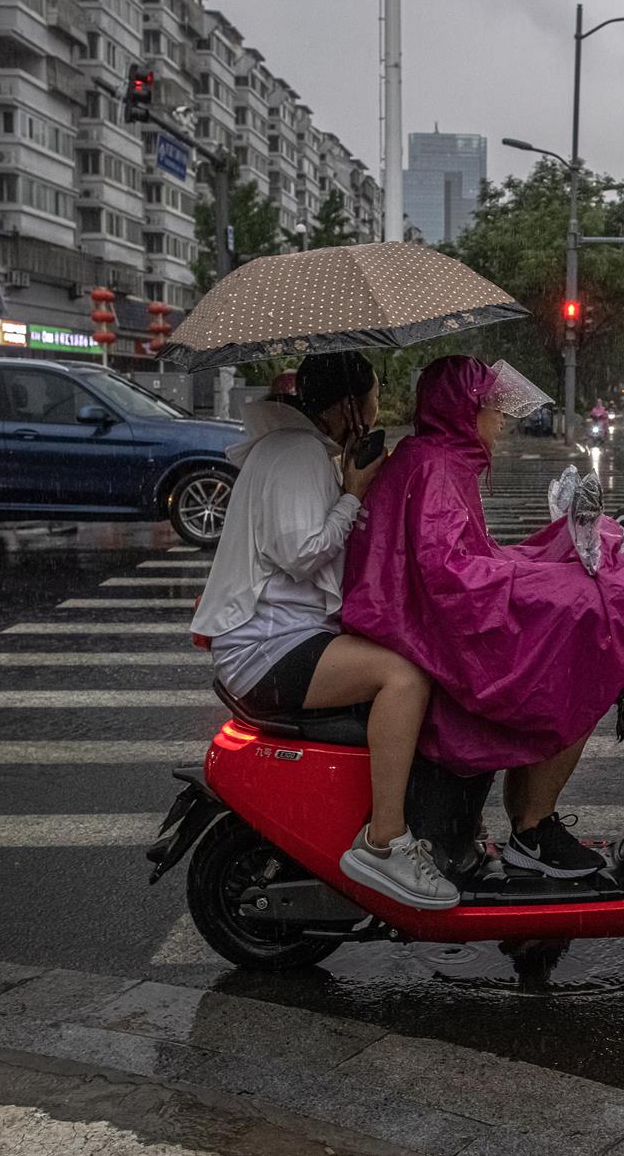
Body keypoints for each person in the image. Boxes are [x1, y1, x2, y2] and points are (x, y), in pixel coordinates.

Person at [341, 355, 624, 878]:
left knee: (571, 604)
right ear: (462, 410)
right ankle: (534, 829)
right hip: (437, 633)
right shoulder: (437, 467)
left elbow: (461, 557)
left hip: (425, 622)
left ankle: (532, 823)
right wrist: (537, 581)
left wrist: (544, 561)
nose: (502, 420)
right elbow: (449, 577)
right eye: (492, 409)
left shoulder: (434, 457)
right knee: (581, 649)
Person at [192, 352, 457, 910]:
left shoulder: (302, 451)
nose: (378, 404)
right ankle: (386, 840)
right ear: (349, 407)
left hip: (285, 634)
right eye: (375, 392)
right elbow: (301, 551)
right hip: (266, 646)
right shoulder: (296, 454)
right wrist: (354, 492)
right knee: (404, 679)